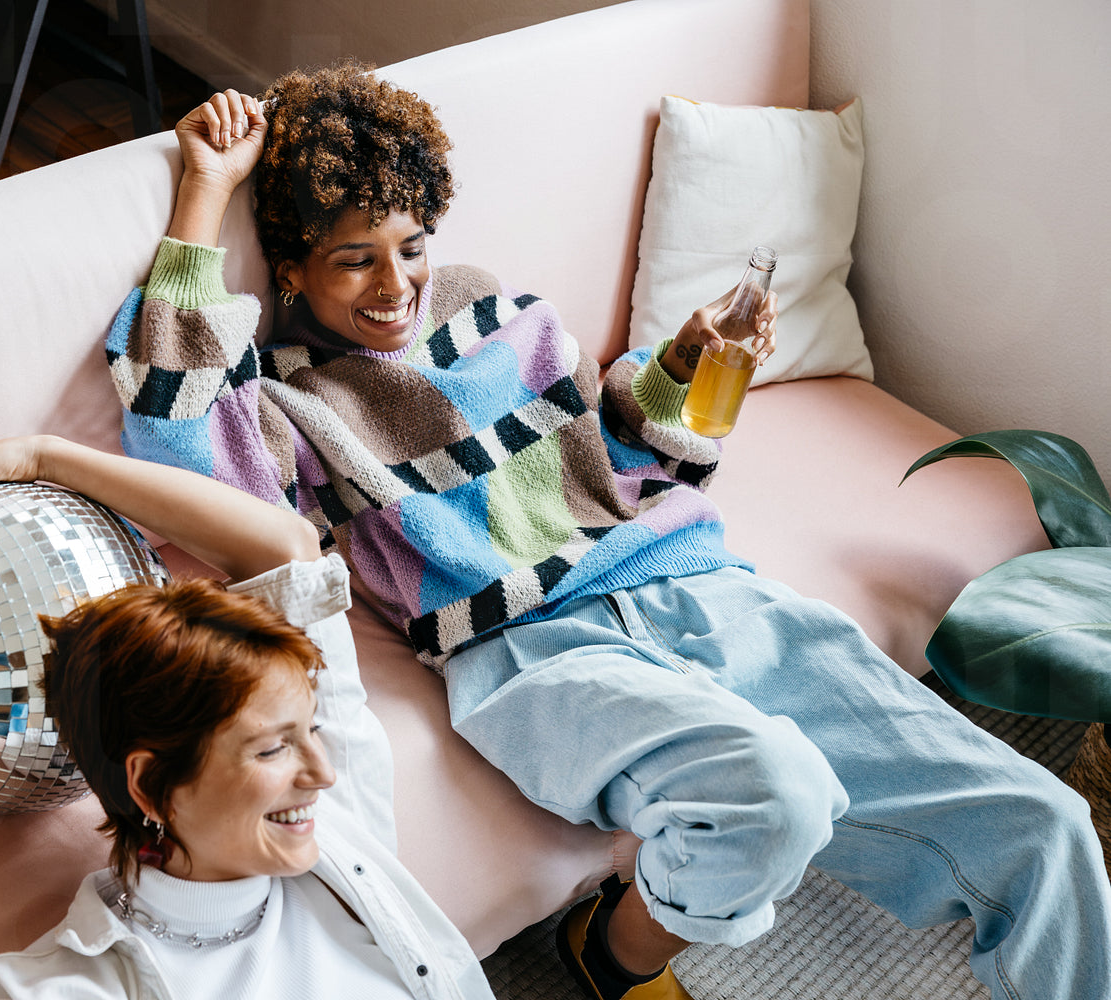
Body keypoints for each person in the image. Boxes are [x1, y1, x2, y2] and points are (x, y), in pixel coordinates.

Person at [95, 60, 1111, 1000]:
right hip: (530, 650)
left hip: (698, 585)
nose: (394, 284)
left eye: (409, 247)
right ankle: (613, 956)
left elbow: (622, 451)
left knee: (1049, 824)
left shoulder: (501, 312)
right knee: (780, 792)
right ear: (293, 270)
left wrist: (683, 361)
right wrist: (205, 191)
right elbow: (182, 446)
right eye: (353, 261)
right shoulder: (289, 395)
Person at [0, 439, 495, 999]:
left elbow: (284, 548)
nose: (324, 772)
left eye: (310, 729)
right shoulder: (52, 990)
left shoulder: (332, 827)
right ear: (151, 784)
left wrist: (44, 458)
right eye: (272, 750)